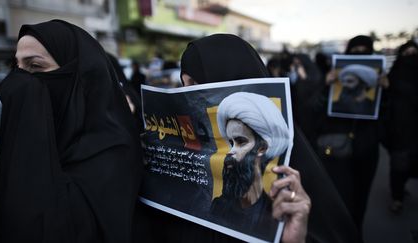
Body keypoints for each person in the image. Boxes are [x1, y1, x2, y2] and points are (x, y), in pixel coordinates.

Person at [133, 34, 361, 243]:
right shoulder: (218, 203)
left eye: (197, 84)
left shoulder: (290, 190)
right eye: (184, 85)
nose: (189, 95)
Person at [0, 20, 143, 242]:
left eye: (35, 66)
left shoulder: (112, 151)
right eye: (16, 67)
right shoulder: (47, 134)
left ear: (78, 76)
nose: (17, 82)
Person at [314, 35, 381, 235]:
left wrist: (386, 92)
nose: (359, 53)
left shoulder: (379, 88)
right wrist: (327, 87)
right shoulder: (333, 85)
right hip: (338, 151)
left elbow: (390, 119)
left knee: (361, 197)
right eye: (355, 50)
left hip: (367, 150)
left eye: (364, 50)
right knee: (340, 197)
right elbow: (316, 114)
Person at [210, 92, 290, 235]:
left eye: (240, 142)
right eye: (230, 143)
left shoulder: (276, 213)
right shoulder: (218, 206)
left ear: (262, 148)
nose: (231, 151)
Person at [385, 40, 418, 213]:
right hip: (399, 130)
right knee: (399, 165)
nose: (411, 58)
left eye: (414, 53)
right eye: (407, 54)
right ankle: (397, 197)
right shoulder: (393, 76)